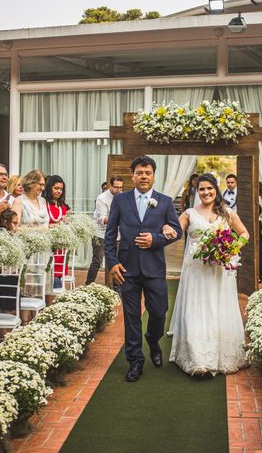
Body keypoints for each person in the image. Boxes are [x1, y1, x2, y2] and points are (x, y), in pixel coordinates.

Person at [104, 156, 182, 382]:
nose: (144, 176)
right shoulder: (120, 200)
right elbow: (110, 236)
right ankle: (135, 361)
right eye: (140, 173)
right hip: (126, 269)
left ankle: (153, 339)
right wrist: (112, 263)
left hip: (154, 268)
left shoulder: (165, 201)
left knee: (159, 312)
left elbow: (177, 231)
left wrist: (156, 239)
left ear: (154, 176)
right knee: (131, 317)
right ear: (133, 176)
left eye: (148, 173)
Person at [169, 173, 249, 376]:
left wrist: (231, 249)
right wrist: (164, 228)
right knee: (196, 310)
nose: (206, 192)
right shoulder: (189, 213)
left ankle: (221, 354)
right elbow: (174, 232)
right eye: (201, 189)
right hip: (196, 272)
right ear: (197, 191)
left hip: (219, 273)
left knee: (218, 309)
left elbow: (244, 234)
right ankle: (198, 360)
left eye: (209, 188)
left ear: (216, 190)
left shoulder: (227, 213)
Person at [87, 176, 123, 285]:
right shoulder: (102, 198)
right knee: (97, 261)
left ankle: (117, 290)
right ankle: (88, 285)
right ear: (110, 186)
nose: (119, 190)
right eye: (116, 187)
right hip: (100, 234)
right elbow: (103, 219)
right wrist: (120, 219)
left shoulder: (122, 197)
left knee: (116, 263)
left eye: (120, 188)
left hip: (116, 235)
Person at [43, 175, 70, 289]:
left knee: (58, 280)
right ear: (49, 188)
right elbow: (42, 225)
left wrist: (67, 222)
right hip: (47, 246)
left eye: (61, 189)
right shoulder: (43, 204)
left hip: (60, 248)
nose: (59, 191)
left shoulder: (63, 206)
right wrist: (56, 225)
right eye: (56, 188)